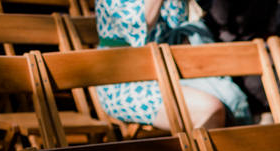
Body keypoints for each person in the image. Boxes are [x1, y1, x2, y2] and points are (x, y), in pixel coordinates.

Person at [95, 0, 251, 130]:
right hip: (122, 80)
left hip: (163, 71)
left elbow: (177, 20)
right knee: (209, 108)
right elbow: (135, 26)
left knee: (230, 96)